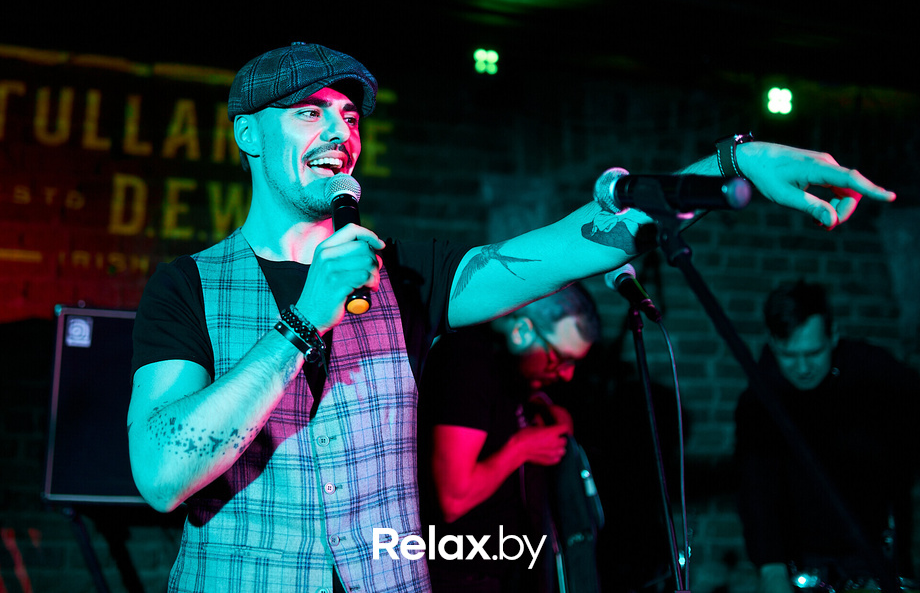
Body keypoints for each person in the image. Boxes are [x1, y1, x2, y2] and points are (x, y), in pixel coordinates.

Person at [124, 41, 896, 593]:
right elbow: (161, 475)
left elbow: (575, 242)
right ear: (249, 133)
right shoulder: (186, 288)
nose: (340, 133)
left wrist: (731, 165)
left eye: (350, 116)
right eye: (309, 113)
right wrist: (302, 320)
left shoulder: (406, 274)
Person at [734, 281, 920, 593]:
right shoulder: (759, 399)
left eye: (813, 353)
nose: (803, 368)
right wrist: (771, 569)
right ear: (772, 342)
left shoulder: (874, 371)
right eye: (789, 355)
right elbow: (755, 488)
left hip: (876, 554)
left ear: (833, 335)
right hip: (801, 562)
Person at [417, 282, 602, 592]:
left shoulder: (511, 368)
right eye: (560, 358)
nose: (567, 374)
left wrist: (544, 412)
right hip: (457, 575)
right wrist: (522, 448)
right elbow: (454, 498)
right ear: (522, 331)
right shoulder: (467, 365)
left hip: (500, 571)